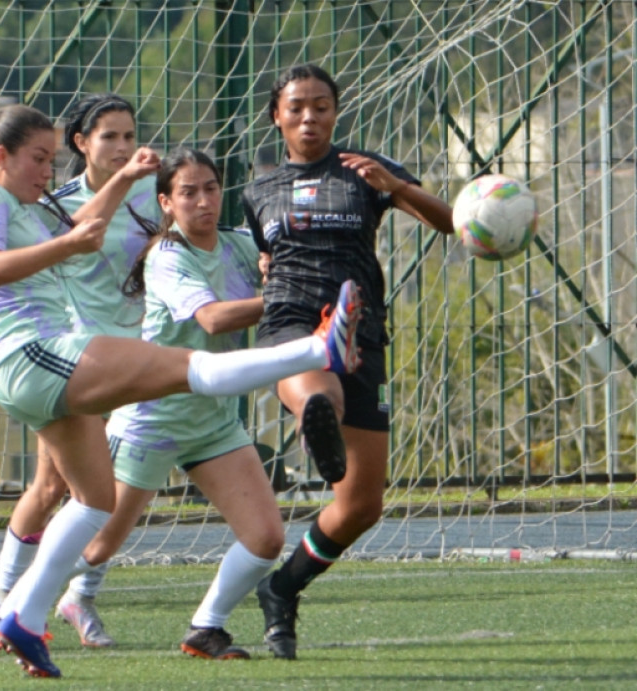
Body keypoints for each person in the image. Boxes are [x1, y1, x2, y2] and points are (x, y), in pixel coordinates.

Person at [0, 103, 360, 678]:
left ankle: (22, 619)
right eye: (39, 158)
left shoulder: (18, 205)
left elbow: (76, 226)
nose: (47, 170)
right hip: (34, 353)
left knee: (93, 503)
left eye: (52, 159)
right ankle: (318, 350)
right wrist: (70, 245)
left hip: (40, 367)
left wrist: (120, 182)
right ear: (0, 156)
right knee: (190, 369)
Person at [241, 63, 454, 660]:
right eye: (296, 107)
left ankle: (281, 589)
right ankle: (318, 418)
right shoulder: (258, 192)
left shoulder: (365, 171)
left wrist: (396, 187)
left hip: (363, 335)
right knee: (319, 392)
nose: (309, 117)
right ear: (277, 116)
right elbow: (263, 259)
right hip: (291, 323)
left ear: (335, 113)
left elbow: (451, 224)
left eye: (321, 106)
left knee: (361, 506)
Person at [57, 146, 282, 661]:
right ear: (166, 202)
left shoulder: (239, 244)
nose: (203, 201)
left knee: (266, 538)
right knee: (95, 547)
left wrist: (285, 269)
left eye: (211, 188)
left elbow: (283, 259)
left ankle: (206, 627)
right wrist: (284, 296)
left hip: (213, 423)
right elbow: (213, 319)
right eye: (188, 192)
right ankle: (15, 608)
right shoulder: (166, 255)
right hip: (151, 420)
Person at [0, 93, 161, 661]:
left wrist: (144, 207)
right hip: (65, 357)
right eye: (109, 137)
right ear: (82, 143)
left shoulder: (130, 194)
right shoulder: (12, 199)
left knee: (108, 491)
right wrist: (71, 241)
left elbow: (82, 230)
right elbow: (15, 258)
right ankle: (7, 598)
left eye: (129, 136)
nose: (122, 146)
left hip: (119, 347)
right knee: (59, 489)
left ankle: (58, 601)